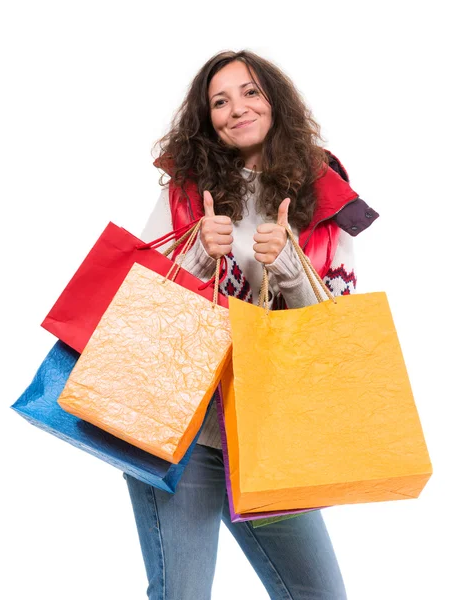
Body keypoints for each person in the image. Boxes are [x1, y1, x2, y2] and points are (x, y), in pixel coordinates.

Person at [124, 49, 378, 600]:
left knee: (321, 594)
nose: (236, 108)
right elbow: (137, 316)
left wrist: (290, 271)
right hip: (182, 431)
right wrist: (194, 257)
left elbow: (335, 336)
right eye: (220, 100)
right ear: (207, 117)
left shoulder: (326, 198)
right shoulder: (187, 191)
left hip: (267, 436)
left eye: (250, 92)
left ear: (275, 101)